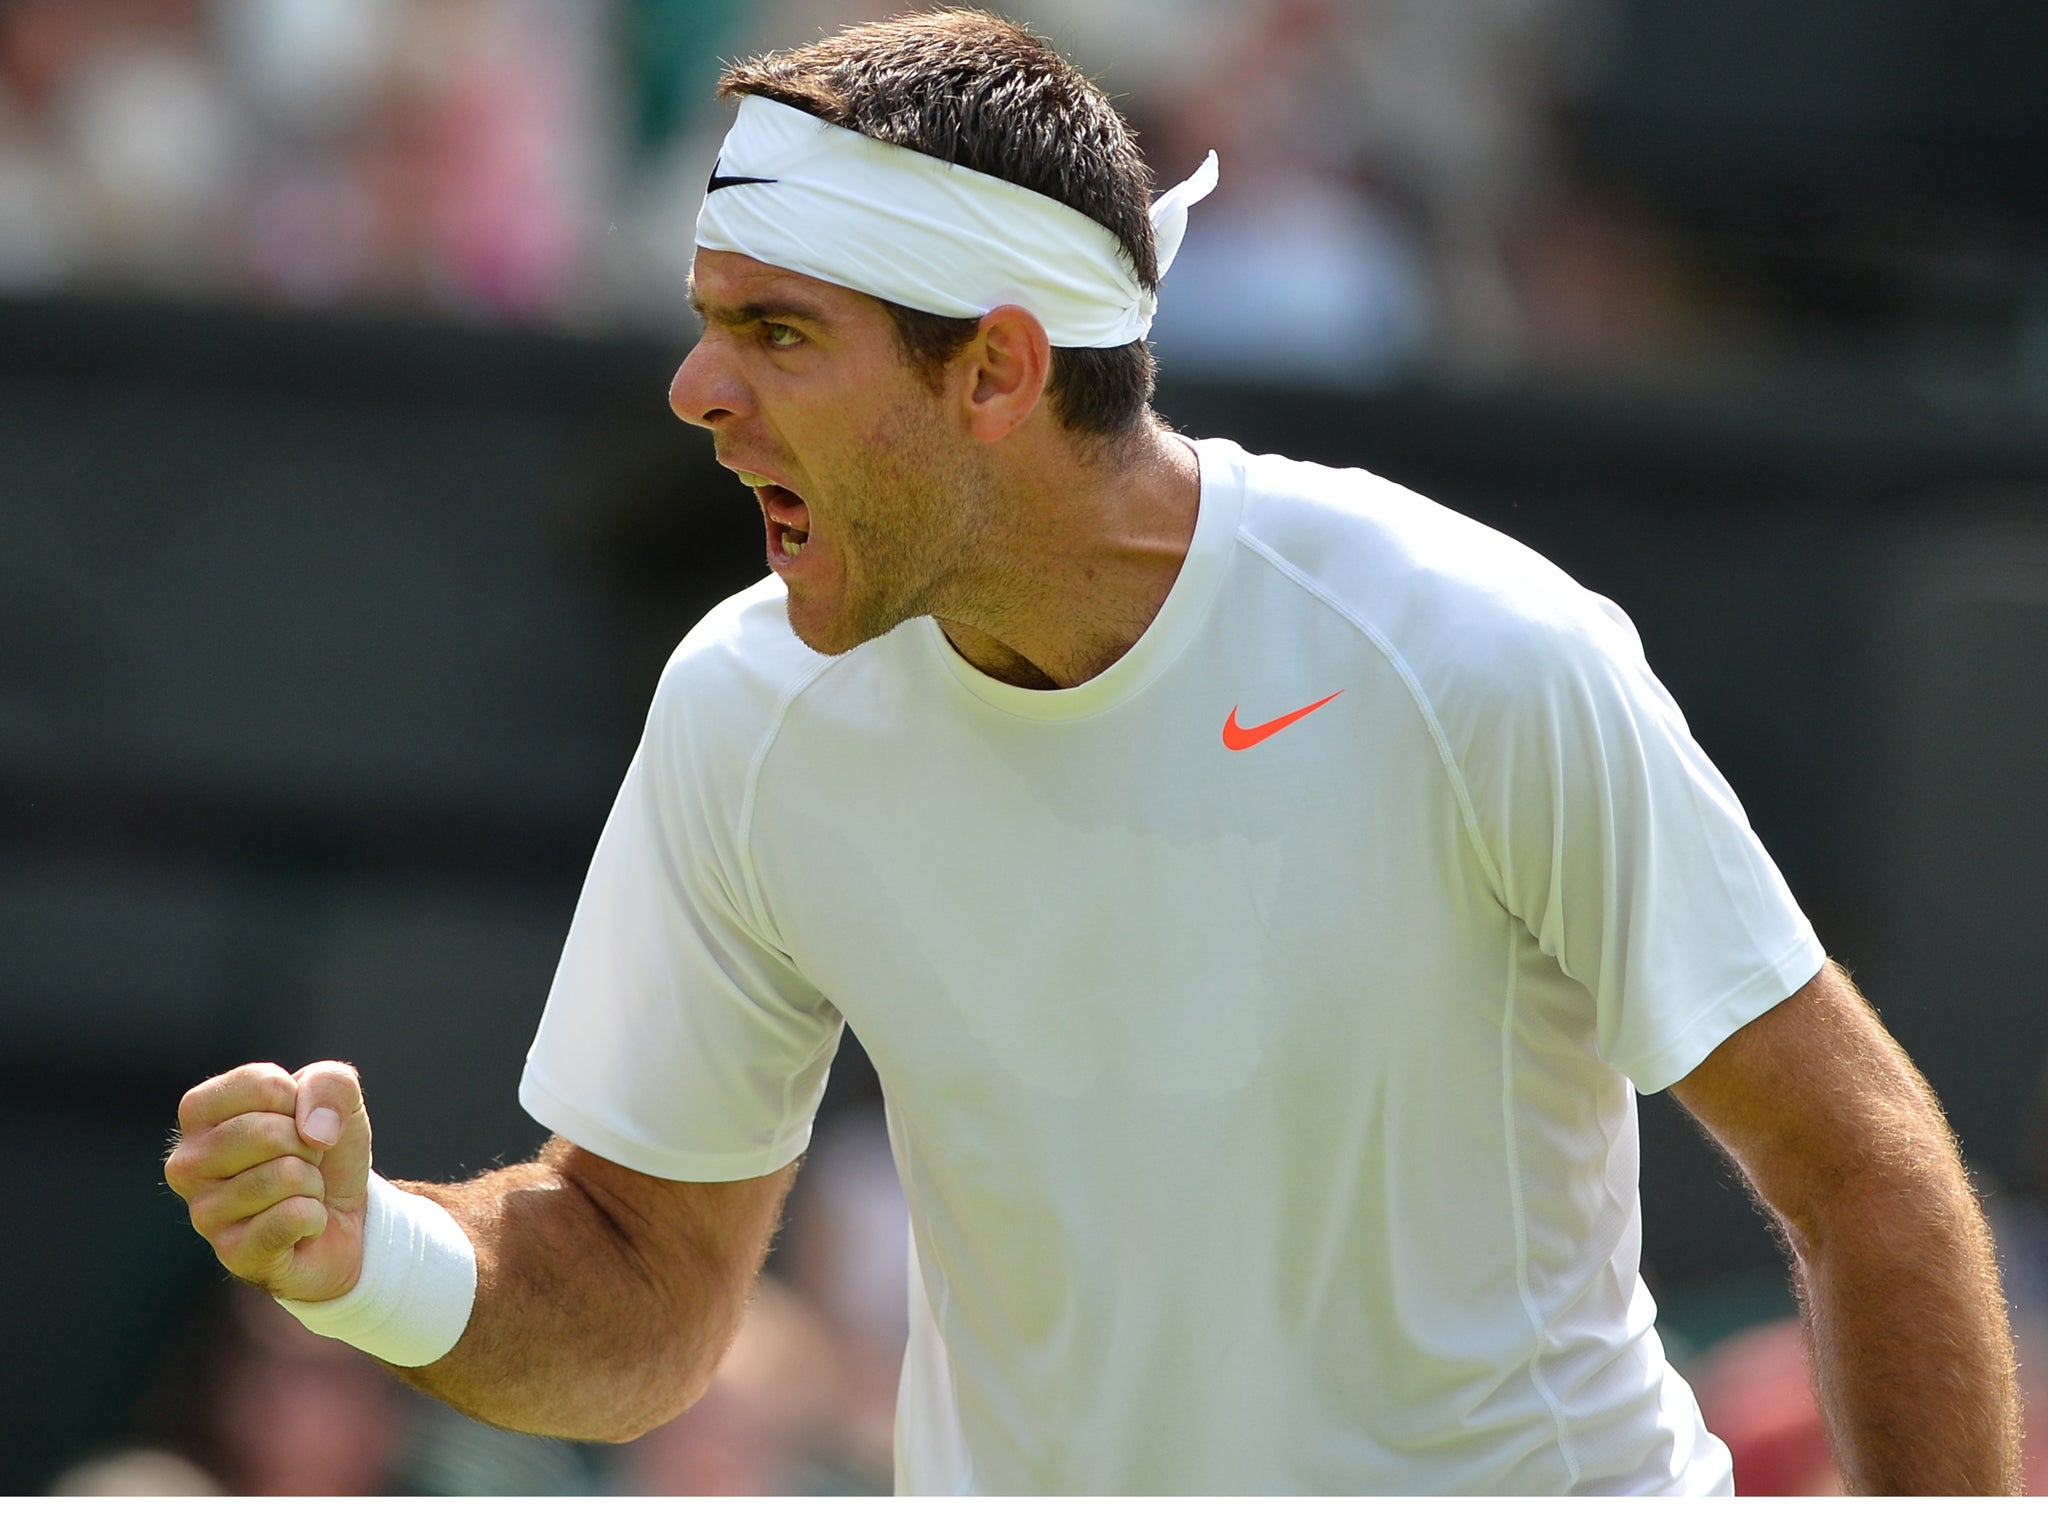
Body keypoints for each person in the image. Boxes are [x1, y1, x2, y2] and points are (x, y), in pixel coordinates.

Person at [165, 9, 2020, 1496]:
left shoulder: (1470, 649)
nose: (695, 393)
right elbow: (642, 1298)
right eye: (705, 324)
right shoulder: (747, 708)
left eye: (777, 333)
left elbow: (1863, 1172)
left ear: (994, 369)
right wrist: (371, 1261)